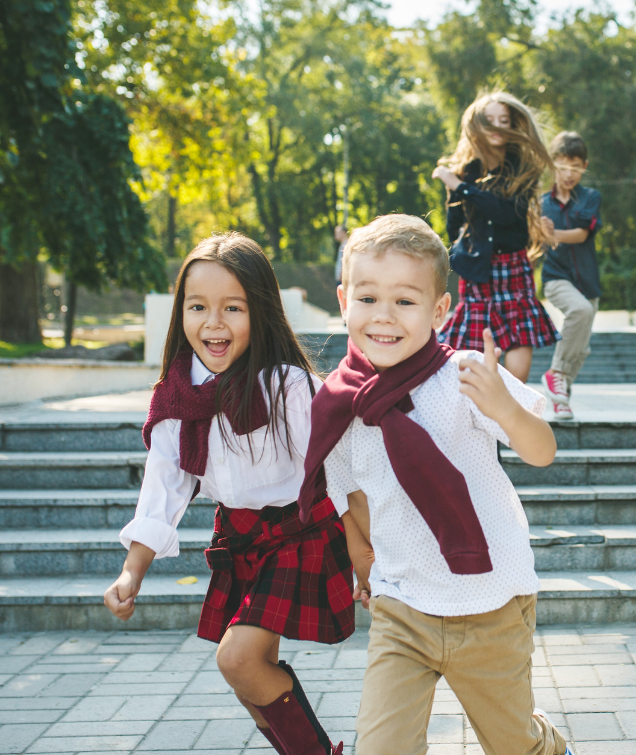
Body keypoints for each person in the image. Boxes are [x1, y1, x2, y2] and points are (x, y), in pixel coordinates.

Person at [300, 214, 571, 755]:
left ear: (440, 310)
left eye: (405, 300)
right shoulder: (341, 402)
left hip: (490, 601)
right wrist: (364, 564)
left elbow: (543, 452)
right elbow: (351, 496)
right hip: (402, 606)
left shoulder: (463, 374)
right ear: (344, 300)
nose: (384, 316)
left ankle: (543, 741)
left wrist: (505, 408)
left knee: (512, 745)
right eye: (368, 298)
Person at [104, 233, 352, 755]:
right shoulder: (178, 397)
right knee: (248, 676)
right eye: (198, 307)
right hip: (238, 535)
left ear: (260, 311)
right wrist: (132, 571)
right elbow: (164, 483)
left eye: (232, 308)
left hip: (300, 530)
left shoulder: (286, 386)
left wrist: (366, 553)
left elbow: (341, 469)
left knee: (237, 660)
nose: (213, 323)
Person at [434, 91, 559, 384]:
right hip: (477, 272)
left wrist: (461, 187)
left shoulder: (522, 168)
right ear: (477, 125)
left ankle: (509, 410)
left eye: (504, 120)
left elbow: (505, 214)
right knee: (474, 364)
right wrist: (455, 191)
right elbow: (455, 229)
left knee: (516, 371)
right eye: (489, 120)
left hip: (512, 268)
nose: (496, 127)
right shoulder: (467, 171)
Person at [538, 131, 602, 420]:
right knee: (581, 310)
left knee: (582, 348)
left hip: (587, 281)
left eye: (575, 167)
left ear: (584, 166)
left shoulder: (590, 198)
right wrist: (539, 233)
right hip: (556, 278)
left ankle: (561, 397)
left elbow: (581, 234)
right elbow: (534, 242)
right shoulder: (541, 204)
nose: (568, 174)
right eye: (563, 166)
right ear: (552, 164)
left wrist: (553, 235)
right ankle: (556, 373)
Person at [333, 223, 349, 288]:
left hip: (342, 279)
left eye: (337, 232)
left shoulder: (346, 245)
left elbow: (346, 261)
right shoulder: (342, 245)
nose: (335, 234)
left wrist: (341, 275)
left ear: (343, 232)